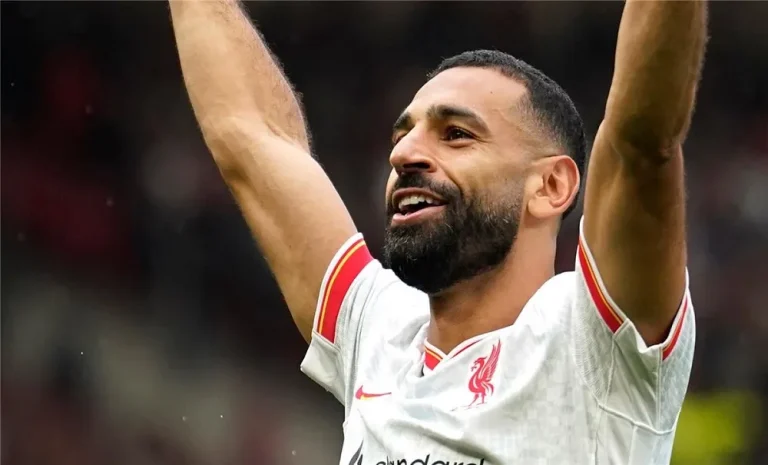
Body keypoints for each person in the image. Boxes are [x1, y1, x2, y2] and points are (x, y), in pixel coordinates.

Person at [169, 0, 707, 463]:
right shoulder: (378, 333)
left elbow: (642, 139)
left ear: (550, 185)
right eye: (402, 135)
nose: (404, 154)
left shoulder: (596, 345)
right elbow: (252, 136)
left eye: (456, 134)